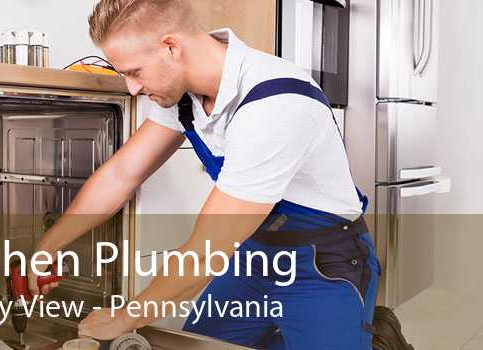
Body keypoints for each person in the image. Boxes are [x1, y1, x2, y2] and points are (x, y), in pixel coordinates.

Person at [28, 0, 382, 349]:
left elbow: (207, 252)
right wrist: (48, 246)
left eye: (134, 72)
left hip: (322, 263)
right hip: (253, 255)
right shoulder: (185, 95)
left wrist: (126, 317)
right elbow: (122, 174)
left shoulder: (276, 103)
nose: (132, 88)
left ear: (171, 47)